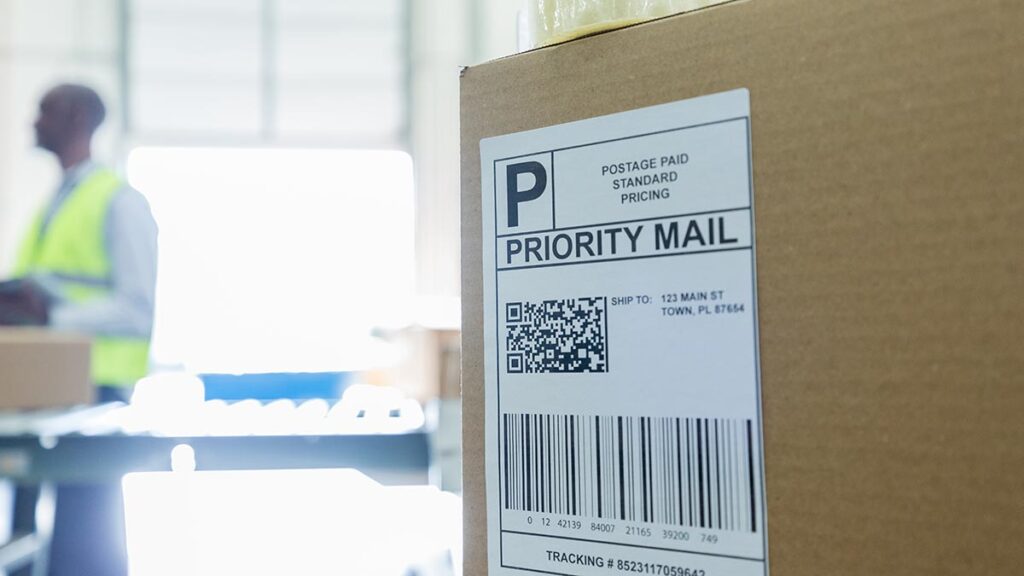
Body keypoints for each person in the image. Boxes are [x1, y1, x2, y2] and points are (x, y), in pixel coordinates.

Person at [3, 83, 158, 576]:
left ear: (75, 118)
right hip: (41, 391)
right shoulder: (55, 204)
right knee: (24, 533)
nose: (33, 120)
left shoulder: (119, 201)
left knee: (86, 534)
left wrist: (49, 317)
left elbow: (137, 310)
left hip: (97, 388)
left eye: (44, 110)